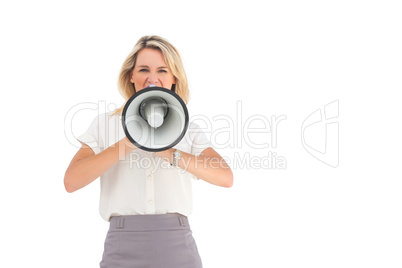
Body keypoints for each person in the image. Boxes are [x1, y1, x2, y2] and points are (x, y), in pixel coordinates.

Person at [64, 35, 234, 268]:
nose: (152, 78)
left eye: (162, 70)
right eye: (143, 69)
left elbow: (225, 177)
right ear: (131, 75)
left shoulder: (187, 128)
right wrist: (129, 142)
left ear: (174, 77)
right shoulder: (105, 124)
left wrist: (169, 151)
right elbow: (71, 181)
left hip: (177, 245)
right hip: (122, 246)